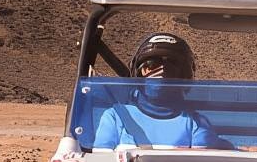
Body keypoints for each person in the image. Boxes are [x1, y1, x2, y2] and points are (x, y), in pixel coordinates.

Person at [92, 33, 231, 149]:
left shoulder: (194, 123)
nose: (162, 72)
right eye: (151, 65)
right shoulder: (117, 116)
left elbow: (206, 161)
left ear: (183, 76)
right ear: (139, 73)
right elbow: (101, 160)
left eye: (171, 67)